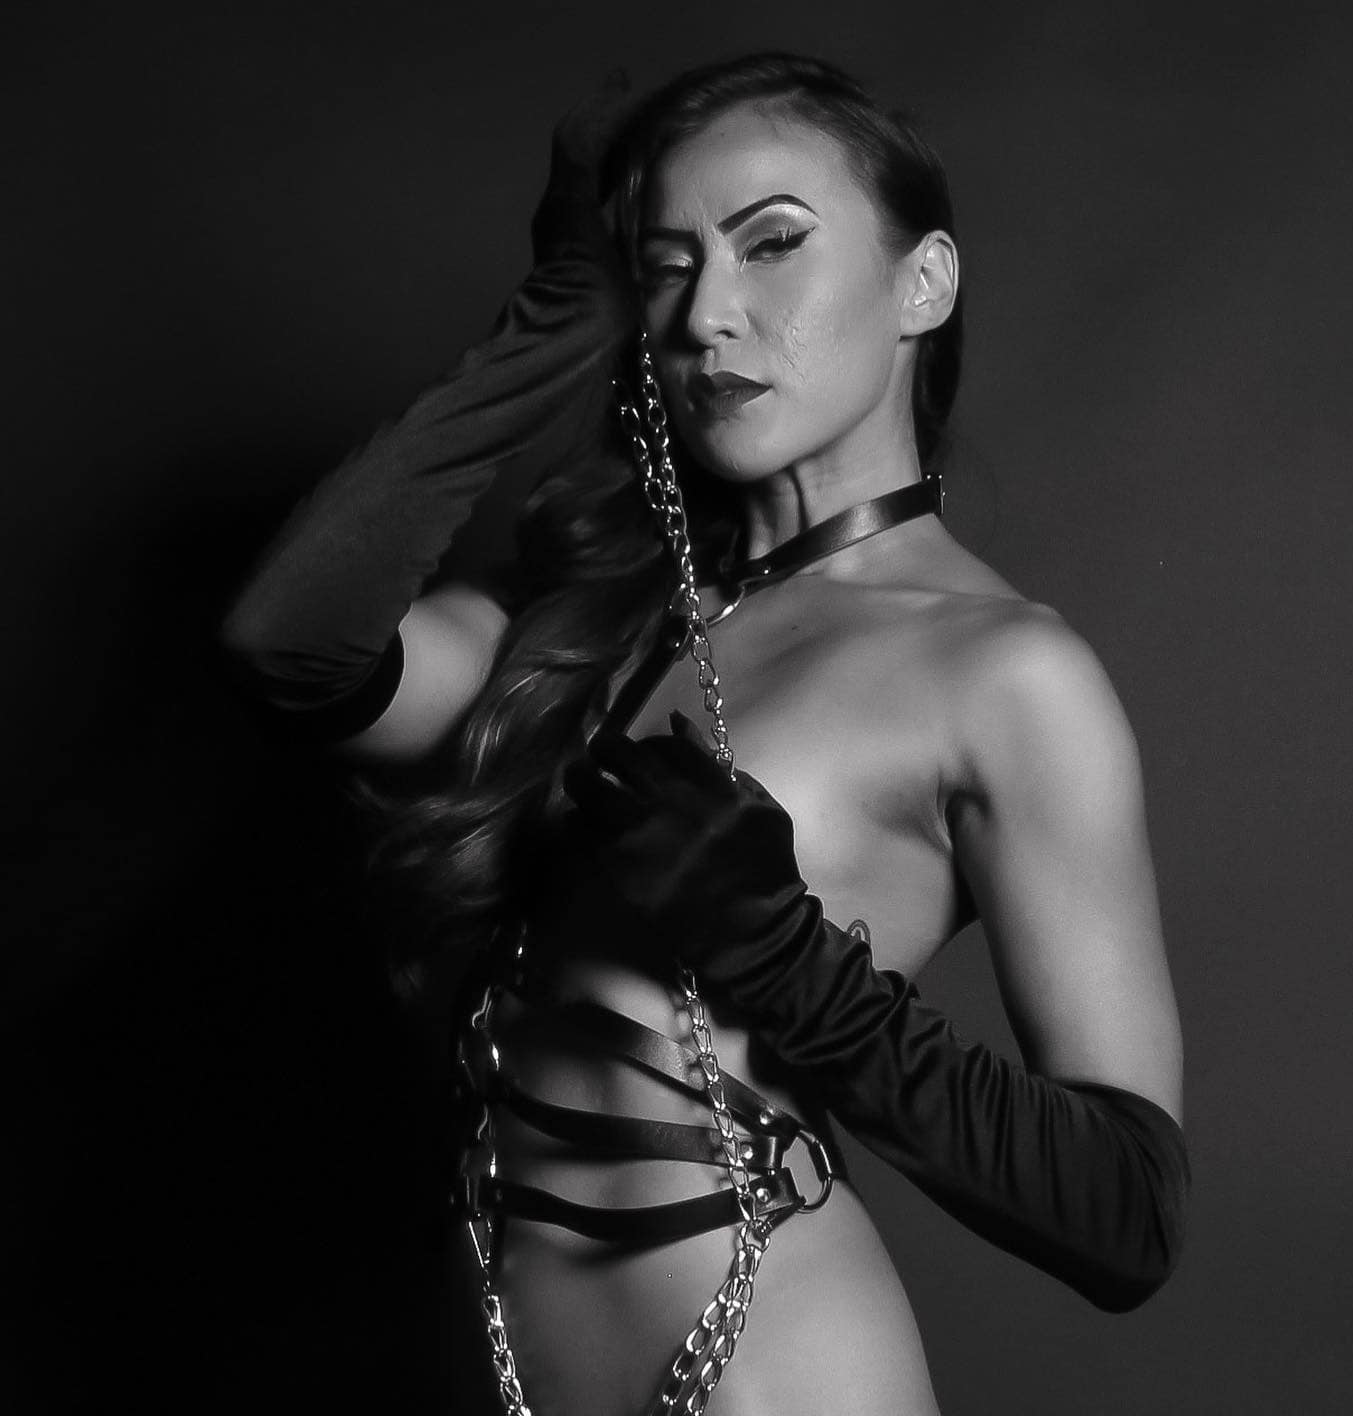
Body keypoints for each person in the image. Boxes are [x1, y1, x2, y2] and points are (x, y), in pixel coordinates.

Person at [220, 53, 1189, 1416]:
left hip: (773, 1360)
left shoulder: (1004, 673)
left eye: (771, 244)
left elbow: (1125, 1214)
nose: (706, 314)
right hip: (499, 1355)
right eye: (664, 269)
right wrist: (555, 320)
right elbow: (291, 644)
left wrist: (780, 950)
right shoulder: (594, 615)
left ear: (922, 283)